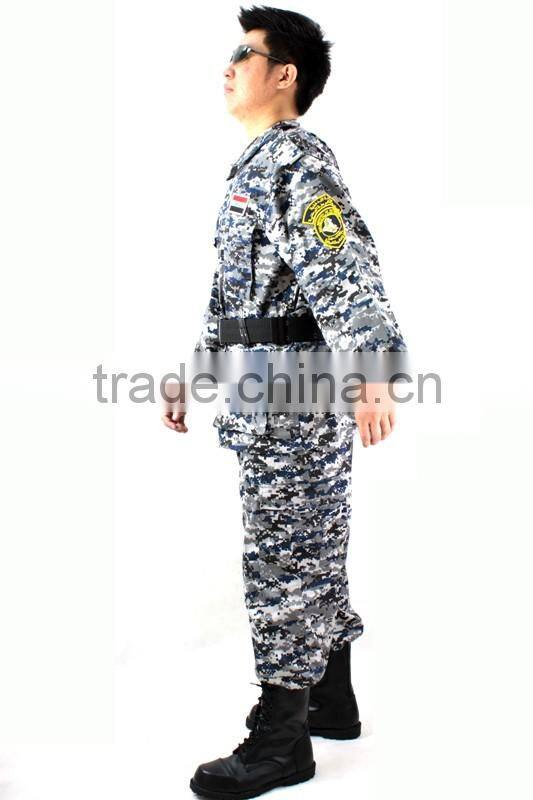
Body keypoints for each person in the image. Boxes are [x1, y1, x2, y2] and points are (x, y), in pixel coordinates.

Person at [162, 6, 407, 798]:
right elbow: (238, 298)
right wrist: (197, 370)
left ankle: (281, 740)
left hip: (294, 394)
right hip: (266, 388)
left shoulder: (294, 160)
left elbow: (342, 263)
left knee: (285, 557)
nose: (228, 66)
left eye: (245, 54)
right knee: (309, 545)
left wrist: (373, 370)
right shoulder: (255, 166)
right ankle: (329, 700)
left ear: (284, 74)